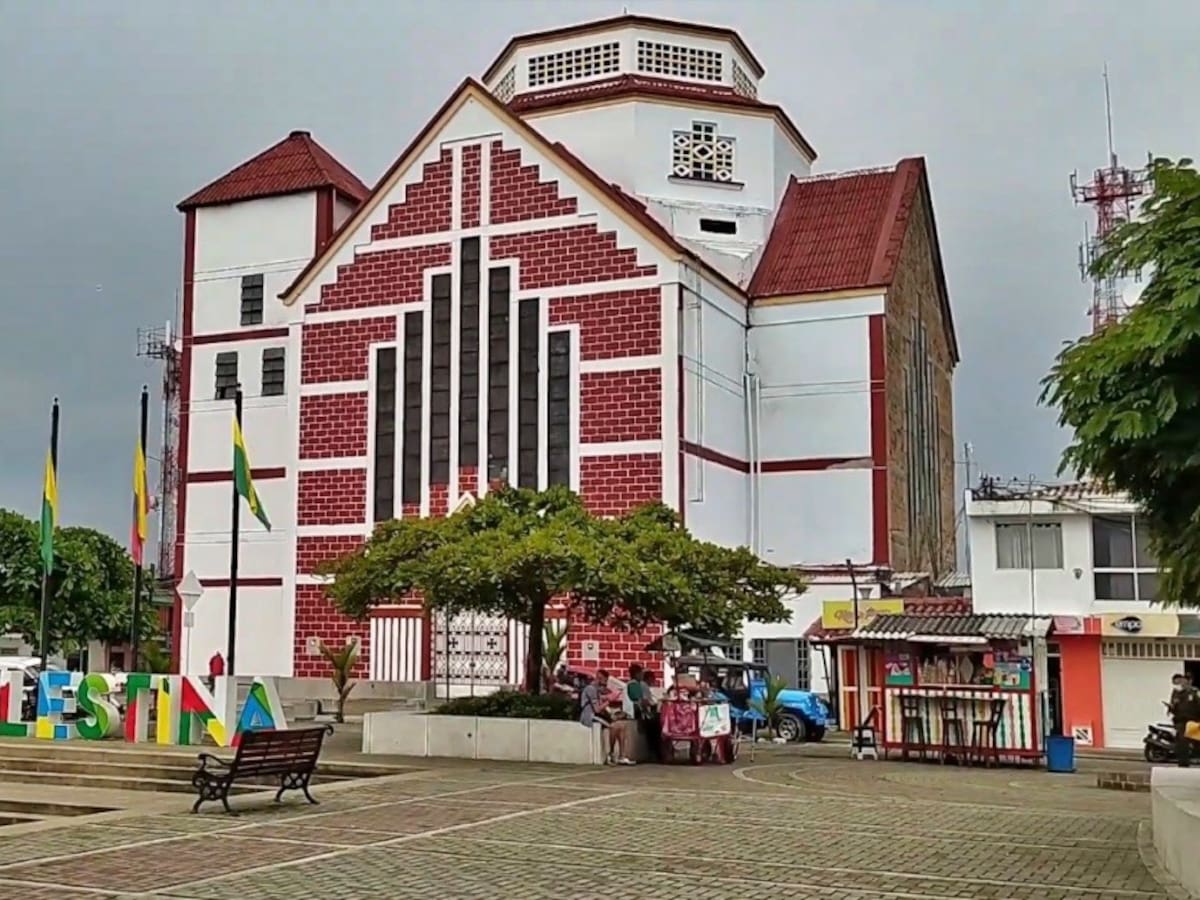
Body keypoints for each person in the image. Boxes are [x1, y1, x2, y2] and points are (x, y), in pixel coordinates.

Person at [1169, 672, 1200, 768]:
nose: (1185, 682)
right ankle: (1183, 763)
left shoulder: (1195, 692)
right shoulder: (1177, 693)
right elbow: (1173, 706)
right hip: (1181, 721)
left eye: (1188, 680)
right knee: (1182, 741)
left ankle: (1195, 757)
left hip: (1193, 721)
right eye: (1184, 680)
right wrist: (1171, 707)